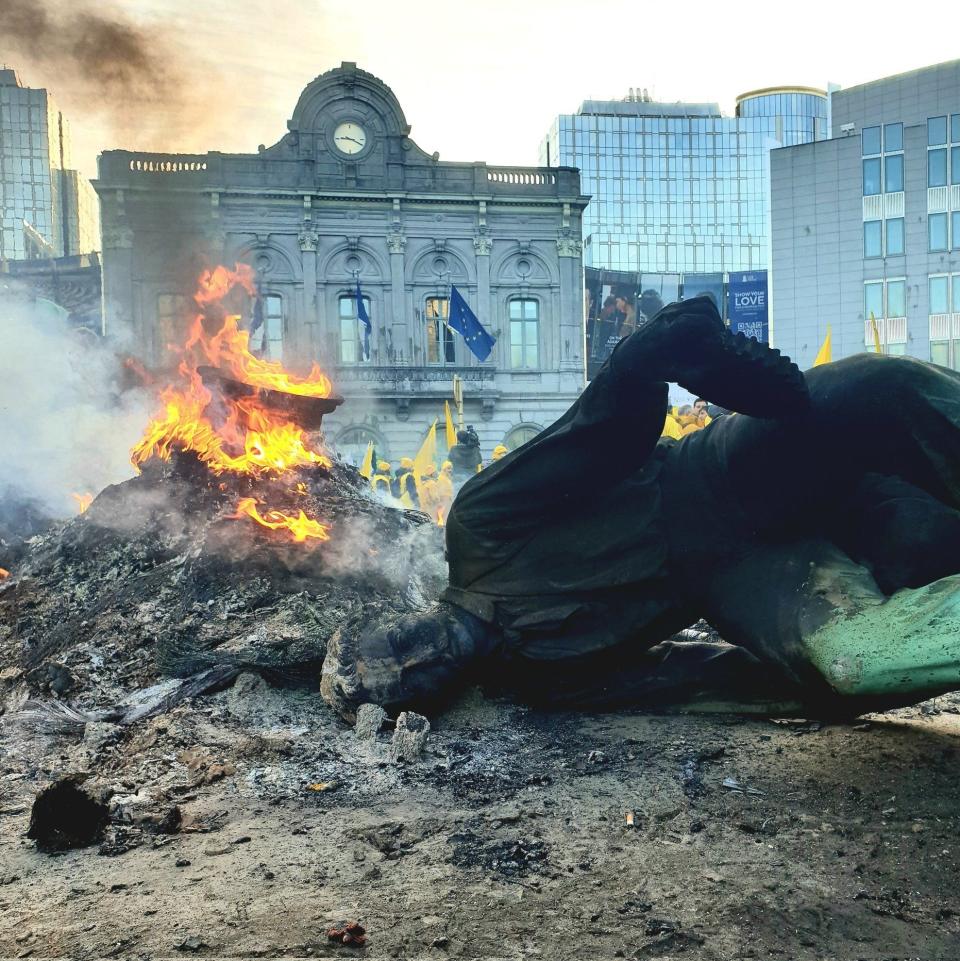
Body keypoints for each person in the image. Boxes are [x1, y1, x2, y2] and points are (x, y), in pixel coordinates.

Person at [321, 296, 960, 720]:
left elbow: (599, 440)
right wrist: (801, 677)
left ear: (404, 618)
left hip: (719, 475)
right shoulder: (539, 676)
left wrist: (639, 363)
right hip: (742, 578)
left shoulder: (476, 528)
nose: (417, 661)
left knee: (875, 391)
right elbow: (688, 677)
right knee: (860, 662)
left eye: (397, 645)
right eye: (406, 683)